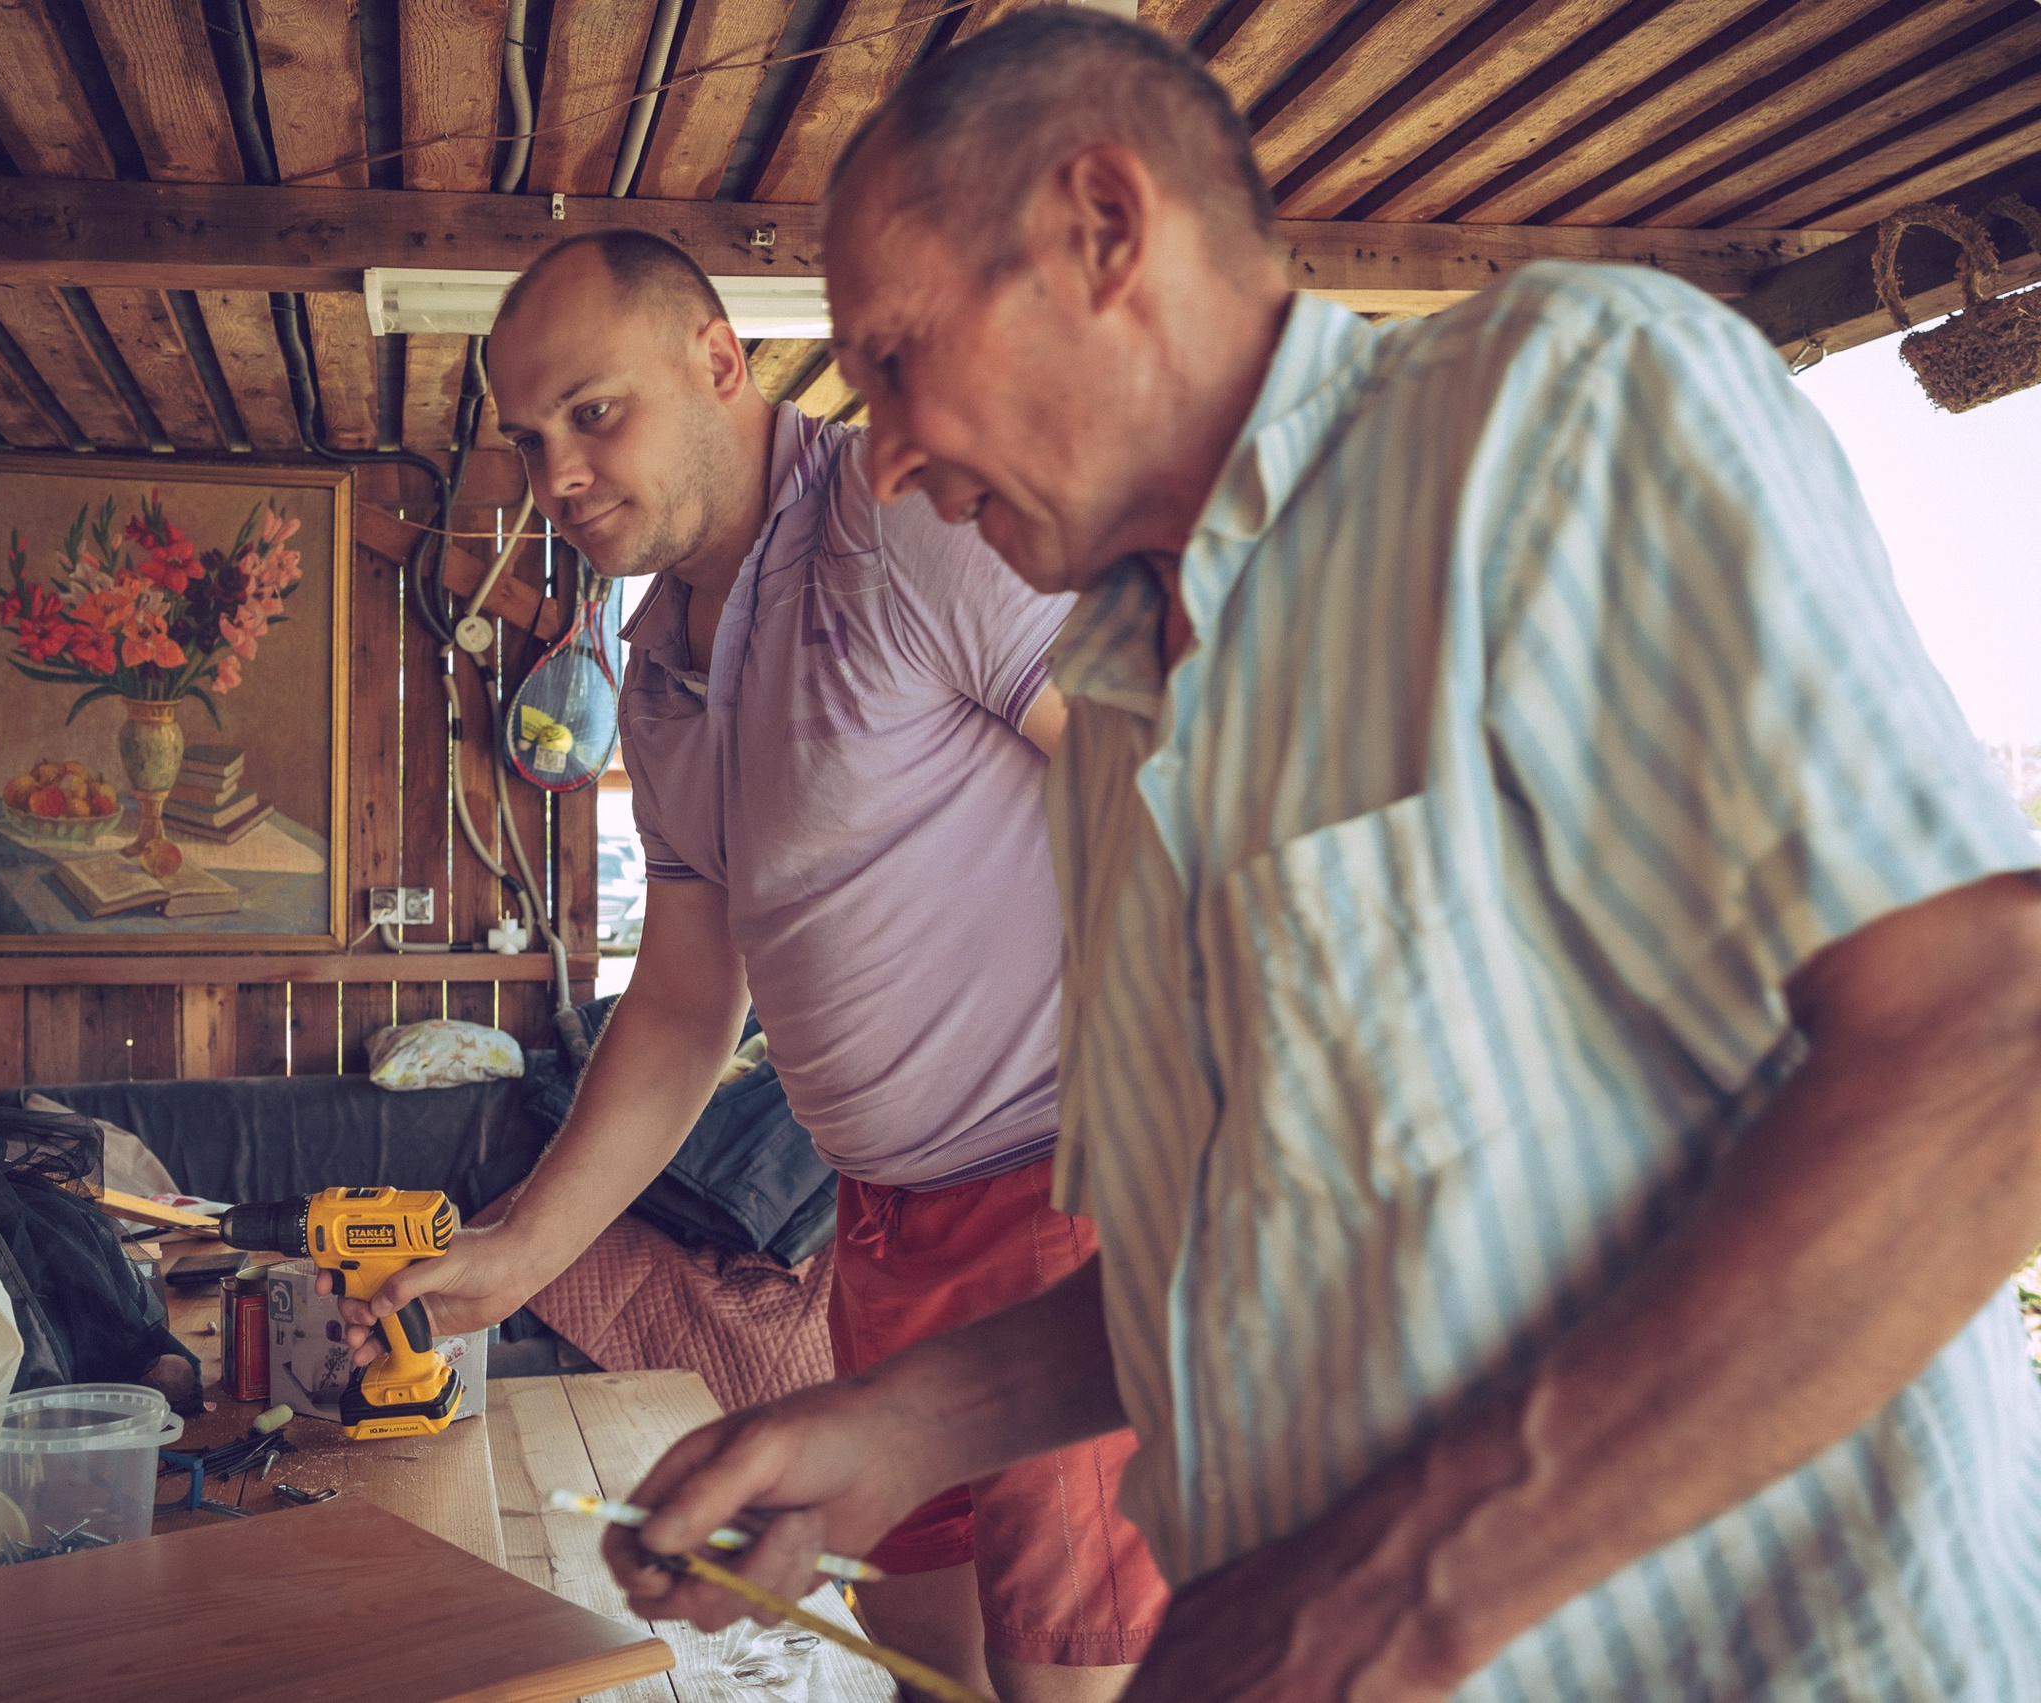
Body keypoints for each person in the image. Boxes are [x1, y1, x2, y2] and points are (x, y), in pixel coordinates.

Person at [600, 13, 2041, 1702]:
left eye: (901, 357)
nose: (891, 449)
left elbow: (1986, 1044)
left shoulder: (1548, 409)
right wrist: (896, 1424)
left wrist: (1390, 1593)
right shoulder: (1127, 705)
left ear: (1105, 230)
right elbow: (1237, 1270)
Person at [337, 228, 1169, 1702]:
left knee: (1071, 1686)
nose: (561, 479)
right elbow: (678, 1002)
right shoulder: (656, 664)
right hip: (880, 1229)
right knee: (927, 1673)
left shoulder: (915, 526)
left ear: (719, 363)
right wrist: (520, 1252)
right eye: (532, 442)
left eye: (597, 414)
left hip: (1069, 1194)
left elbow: (1187, 785)